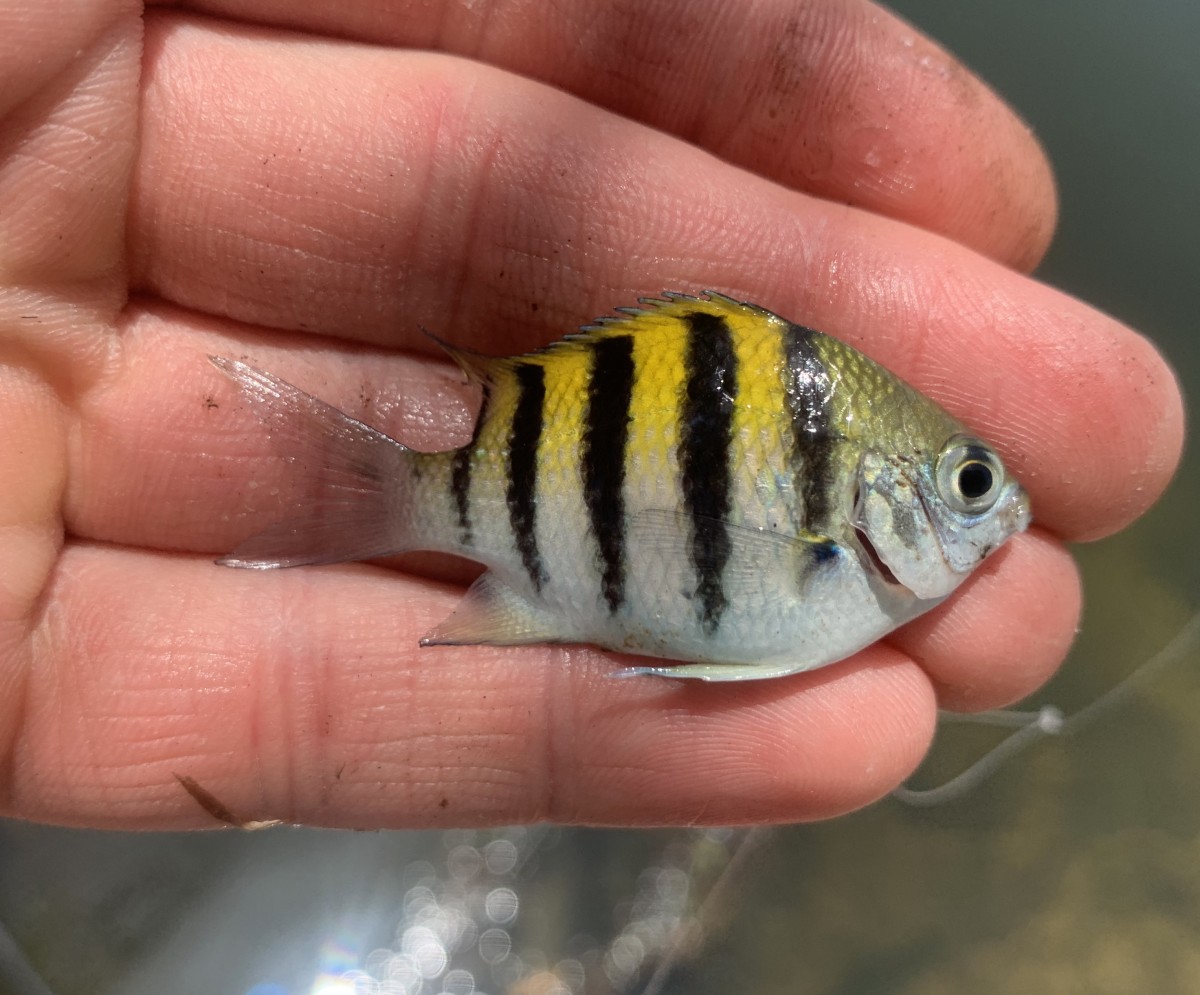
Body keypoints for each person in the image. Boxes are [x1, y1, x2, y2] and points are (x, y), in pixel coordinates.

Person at [0, 0, 1182, 830]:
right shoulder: (854, 559)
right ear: (891, 489)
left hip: (555, 546)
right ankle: (378, 490)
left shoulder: (857, 551)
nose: (995, 509)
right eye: (970, 483)